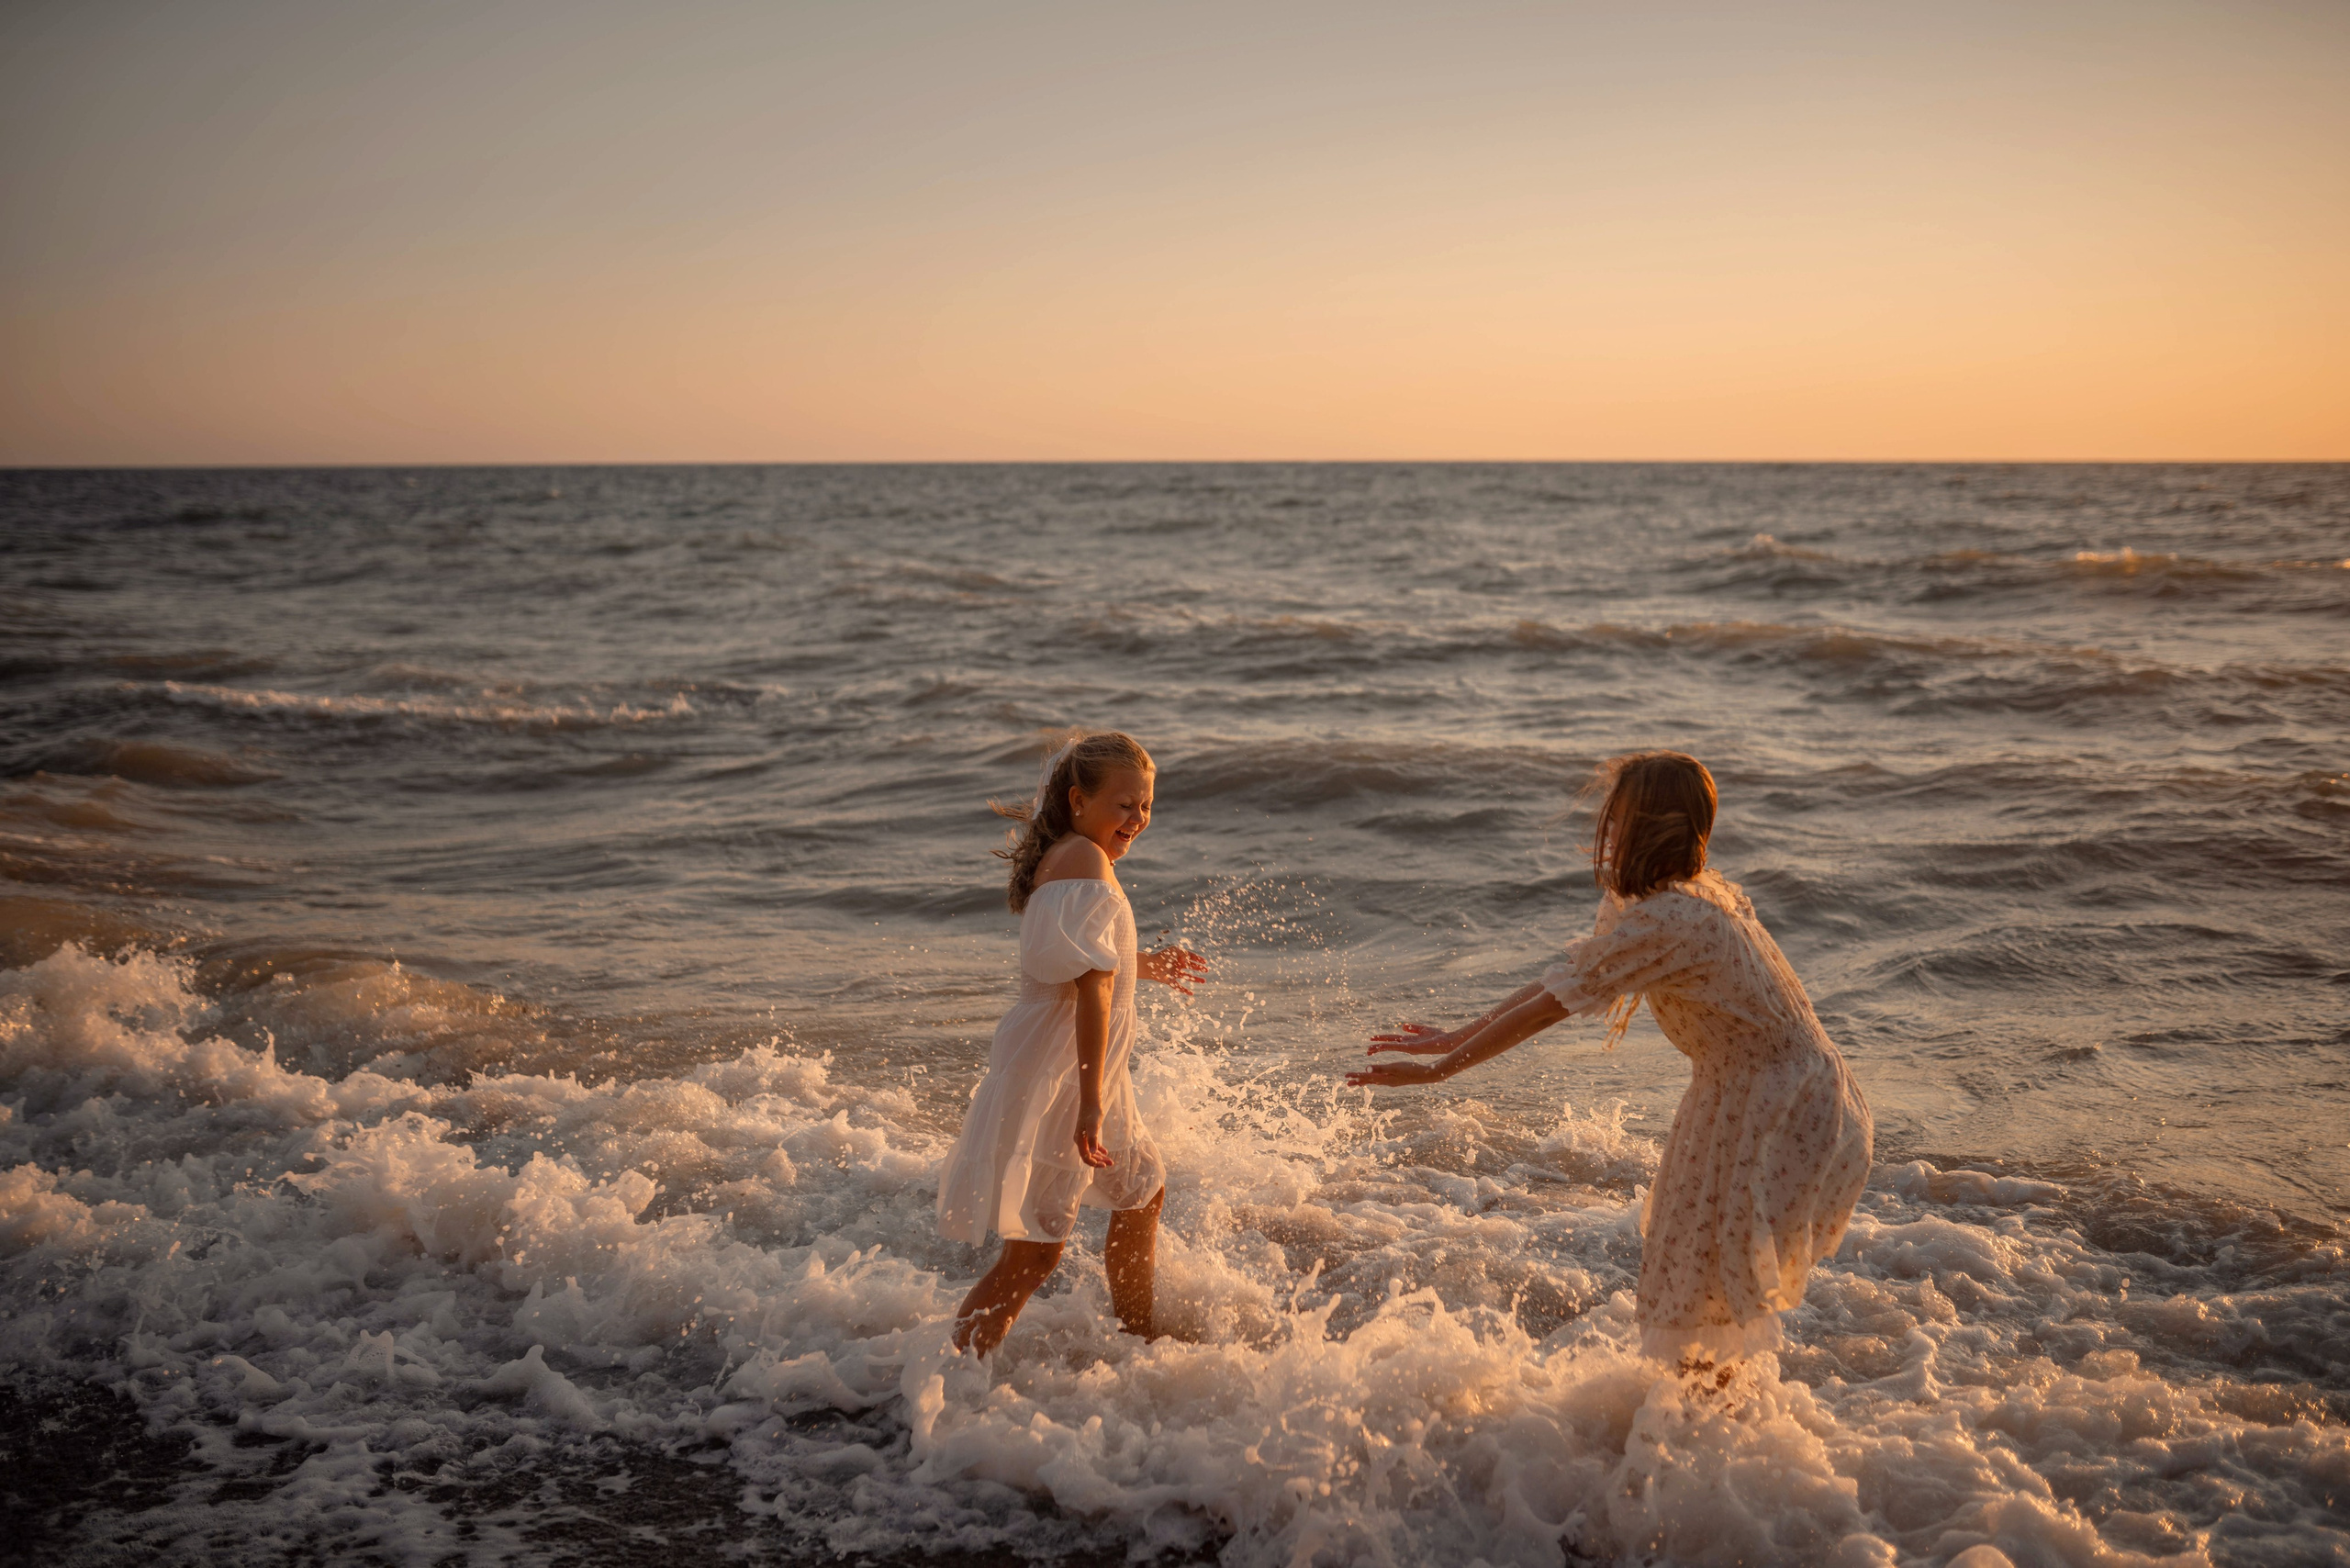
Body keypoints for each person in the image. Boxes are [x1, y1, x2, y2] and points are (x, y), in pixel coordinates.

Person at [1348, 751, 1871, 1374]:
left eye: (1619, 820)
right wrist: (1454, 1037)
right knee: (1696, 1285)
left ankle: (1705, 1435)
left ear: (1653, 826)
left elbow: (1550, 1010)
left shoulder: (1675, 919)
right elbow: (1563, 984)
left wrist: (1444, 1070)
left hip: (1776, 1105)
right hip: (1776, 1093)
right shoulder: (1679, 903)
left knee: (1698, 1292)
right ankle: (1710, 1433)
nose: (1609, 834)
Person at [935, 731, 1207, 1356]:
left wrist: (1144, 963)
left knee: (1142, 1191)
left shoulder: (1067, 859)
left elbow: (1077, 965)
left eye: (1145, 806)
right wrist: (1090, 1102)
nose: (1137, 819)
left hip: (1062, 1063)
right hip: (1066, 1073)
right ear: (1079, 800)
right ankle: (956, 1372)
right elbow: (1090, 990)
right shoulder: (1086, 864)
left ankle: (1137, 1336)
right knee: (1034, 1254)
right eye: (1124, 805)